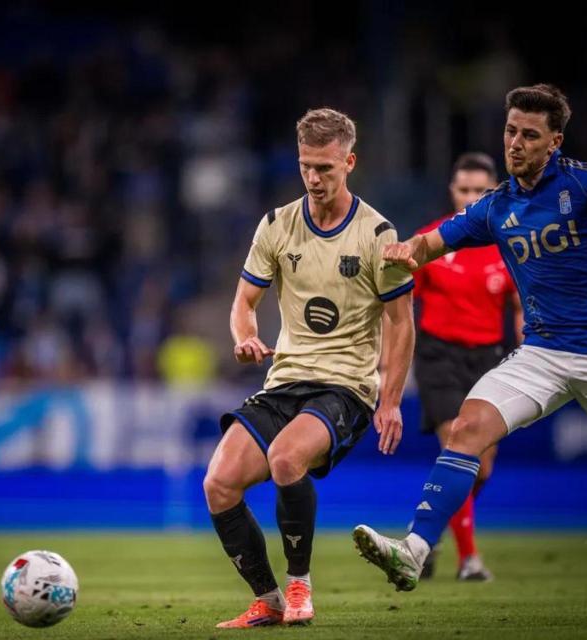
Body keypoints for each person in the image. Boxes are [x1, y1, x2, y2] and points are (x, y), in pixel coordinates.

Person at [352, 83, 587, 592]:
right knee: (465, 430)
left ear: (555, 142)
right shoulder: (496, 206)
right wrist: (403, 251)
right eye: (510, 131)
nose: (516, 143)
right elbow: (432, 243)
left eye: (530, 134)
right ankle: (413, 553)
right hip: (544, 353)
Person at [203, 108, 415, 628]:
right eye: (306, 167)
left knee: (285, 460)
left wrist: (389, 400)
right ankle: (268, 599)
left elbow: (401, 323)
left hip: (345, 388)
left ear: (350, 161)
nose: (315, 179)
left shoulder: (377, 234)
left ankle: (300, 588)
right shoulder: (277, 225)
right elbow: (243, 302)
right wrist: (244, 337)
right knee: (218, 483)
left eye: (326, 168)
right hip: (285, 381)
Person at [412, 152, 523, 581]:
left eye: (480, 191)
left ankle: (430, 529)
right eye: (464, 190)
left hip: (490, 359)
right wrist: (389, 364)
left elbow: (519, 304)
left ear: (493, 192)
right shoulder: (430, 240)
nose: (471, 197)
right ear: (452, 191)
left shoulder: (511, 242)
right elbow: (400, 305)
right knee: (461, 452)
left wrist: (526, 335)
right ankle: (469, 561)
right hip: (438, 357)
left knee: (485, 465)